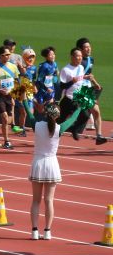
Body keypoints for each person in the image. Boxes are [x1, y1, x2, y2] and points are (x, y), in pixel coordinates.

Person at [28, 101, 83, 240]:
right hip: (52, 164)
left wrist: (23, 100)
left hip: (38, 163)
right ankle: (47, 231)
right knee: (49, 200)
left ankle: (34, 231)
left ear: (45, 113)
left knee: (36, 201)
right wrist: (80, 108)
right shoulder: (60, 128)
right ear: (57, 115)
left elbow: (29, 114)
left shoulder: (37, 125)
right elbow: (73, 119)